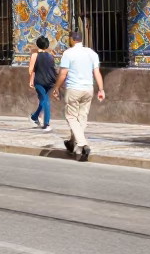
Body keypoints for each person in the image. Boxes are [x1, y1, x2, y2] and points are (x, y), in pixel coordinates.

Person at [51, 30, 106, 162]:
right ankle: (72, 142)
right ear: (81, 39)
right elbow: (97, 72)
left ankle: (82, 144)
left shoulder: (68, 53)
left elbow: (63, 73)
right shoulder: (92, 53)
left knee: (71, 117)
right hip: (88, 89)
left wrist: (57, 87)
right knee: (82, 116)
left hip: (74, 89)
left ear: (71, 39)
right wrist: (101, 89)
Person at [27, 36, 57, 132]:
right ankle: (46, 123)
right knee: (45, 100)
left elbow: (31, 70)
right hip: (49, 81)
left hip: (39, 81)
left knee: (44, 101)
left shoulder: (35, 55)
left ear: (37, 44)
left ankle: (35, 117)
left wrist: (31, 79)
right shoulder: (50, 55)